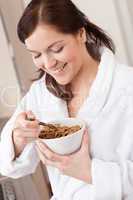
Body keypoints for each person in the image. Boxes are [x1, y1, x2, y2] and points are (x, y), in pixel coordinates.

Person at [0, 0, 133, 199]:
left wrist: (90, 171)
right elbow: (11, 167)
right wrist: (18, 139)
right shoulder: (41, 93)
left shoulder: (126, 86)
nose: (48, 63)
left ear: (81, 33)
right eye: (36, 54)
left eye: (57, 49)